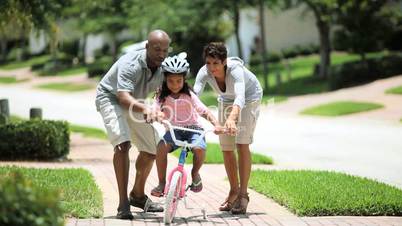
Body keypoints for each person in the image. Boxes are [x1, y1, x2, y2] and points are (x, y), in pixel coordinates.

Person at [95, 30, 170, 219]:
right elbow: (122, 97)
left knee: (153, 148)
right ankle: (123, 204)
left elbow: (171, 91)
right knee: (123, 145)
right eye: (157, 49)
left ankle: (137, 195)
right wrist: (144, 109)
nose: (161, 54)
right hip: (111, 97)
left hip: (135, 102)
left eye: (165, 50)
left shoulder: (163, 68)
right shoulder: (131, 63)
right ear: (147, 47)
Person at [193, 42, 263, 214]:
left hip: (249, 97)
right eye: (208, 63)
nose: (211, 68)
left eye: (216, 63)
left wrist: (232, 118)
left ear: (224, 62)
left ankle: (243, 195)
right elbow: (194, 95)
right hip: (225, 99)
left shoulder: (235, 70)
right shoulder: (204, 72)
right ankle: (233, 190)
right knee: (226, 147)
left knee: (241, 143)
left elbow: (240, 96)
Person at [150, 54, 222, 197]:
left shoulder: (189, 94)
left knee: (199, 149)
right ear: (165, 79)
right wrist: (155, 115)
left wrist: (217, 124)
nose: (175, 85)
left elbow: (203, 110)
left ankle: (195, 173)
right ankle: (162, 183)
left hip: (193, 129)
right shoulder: (161, 95)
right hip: (174, 130)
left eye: (179, 81)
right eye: (171, 81)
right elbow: (154, 109)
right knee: (160, 147)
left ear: (184, 79)